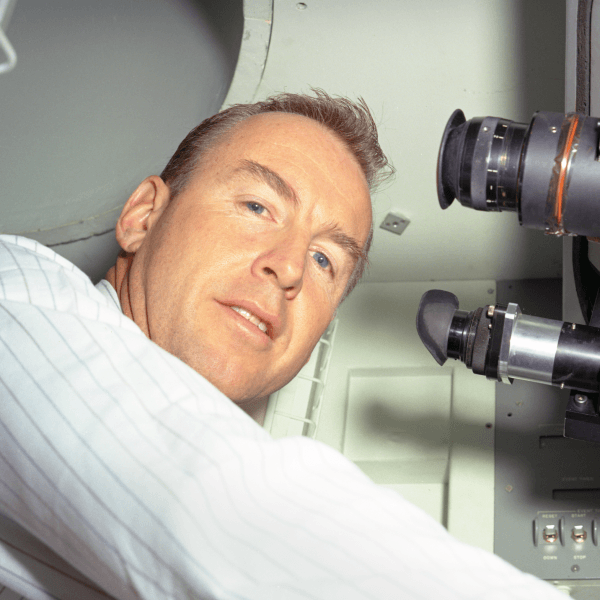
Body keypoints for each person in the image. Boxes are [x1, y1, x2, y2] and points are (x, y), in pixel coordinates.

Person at [0, 91, 566, 600]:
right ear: (144, 216)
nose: (291, 266)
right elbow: (216, 510)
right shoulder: (17, 291)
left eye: (326, 260)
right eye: (257, 207)